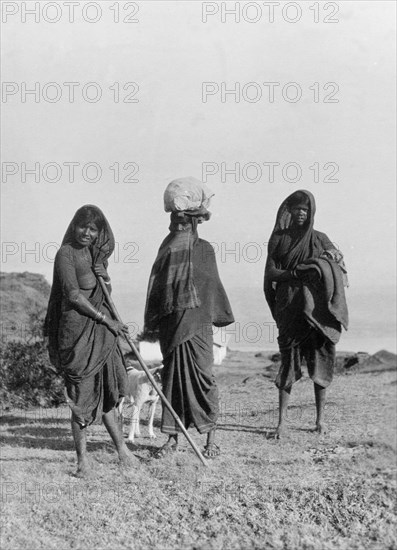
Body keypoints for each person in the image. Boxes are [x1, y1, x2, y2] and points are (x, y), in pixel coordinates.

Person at [144, 177, 234, 458]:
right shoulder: (167, 247)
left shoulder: (204, 249)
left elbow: (211, 287)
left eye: (184, 218)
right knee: (172, 379)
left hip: (197, 327)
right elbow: (158, 287)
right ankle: (172, 439)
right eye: (176, 218)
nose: (179, 223)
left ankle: (211, 440)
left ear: (194, 221)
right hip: (173, 325)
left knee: (204, 378)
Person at [45, 205, 136, 476]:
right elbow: (73, 295)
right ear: (74, 227)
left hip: (102, 335)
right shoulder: (66, 254)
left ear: (99, 232)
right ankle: (83, 460)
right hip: (77, 335)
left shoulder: (95, 257)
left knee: (108, 392)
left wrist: (103, 275)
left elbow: (101, 291)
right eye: (82, 226)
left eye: (93, 228)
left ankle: (122, 450)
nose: (87, 232)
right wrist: (107, 320)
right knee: (82, 398)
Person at [264, 190, 348, 438]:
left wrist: (326, 261)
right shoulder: (279, 240)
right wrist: (297, 273)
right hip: (289, 307)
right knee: (288, 361)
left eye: (306, 209)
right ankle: (281, 422)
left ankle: (320, 421)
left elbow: (337, 259)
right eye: (297, 208)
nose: (301, 213)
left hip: (319, 311)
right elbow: (271, 274)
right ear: (288, 211)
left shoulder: (321, 238)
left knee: (321, 360)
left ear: (311, 213)